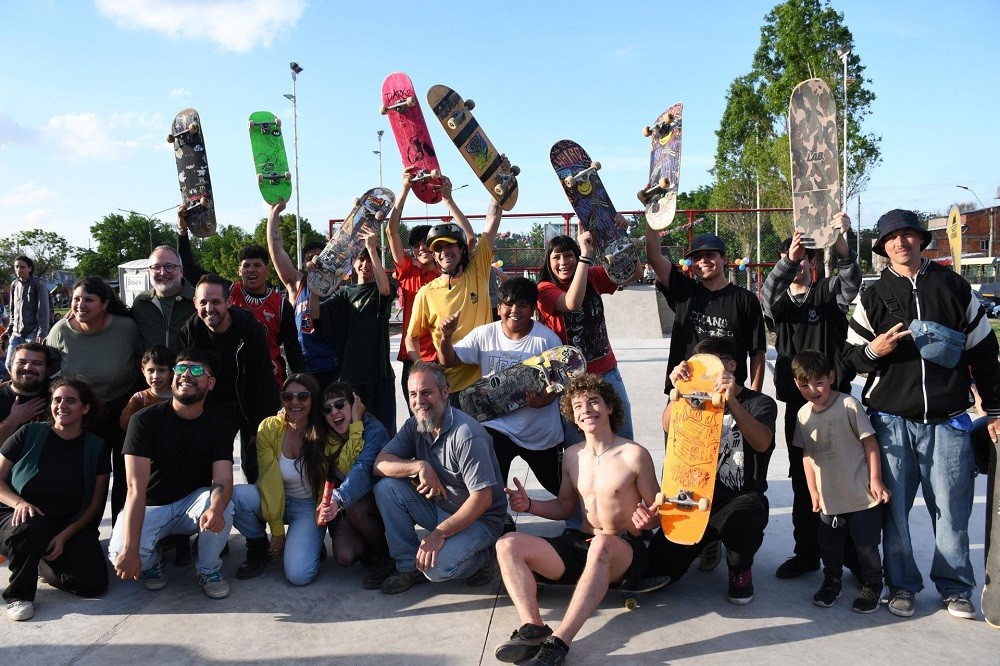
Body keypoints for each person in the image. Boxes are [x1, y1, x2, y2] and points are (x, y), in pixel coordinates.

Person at [843, 208, 1000, 619]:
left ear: (920, 239)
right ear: (882, 247)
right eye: (892, 238)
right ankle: (903, 586)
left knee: (952, 510)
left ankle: (955, 588)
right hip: (890, 422)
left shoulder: (954, 286)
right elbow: (848, 359)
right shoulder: (871, 296)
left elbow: (984, 352)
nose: (901, 242)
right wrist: (874, 351)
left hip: (949, 420)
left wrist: (996, 407)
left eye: (909, 234)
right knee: (894, 510)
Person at [493, 374, 659, 666]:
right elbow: (564, 507)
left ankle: (558, 642)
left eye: (594, 401)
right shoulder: (572, 456)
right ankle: (533, 626)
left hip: (622, 549)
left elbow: (659, 512)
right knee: (507, 544)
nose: (587, 410)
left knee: (602, 545)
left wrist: (649, 520)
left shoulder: (634, 455)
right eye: (579, 406)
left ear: (609, 407)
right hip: (579, 544)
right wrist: (529, 504)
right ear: (574, 417)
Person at [645, 227, 767, 571]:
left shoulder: (744, 300)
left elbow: (757, 352)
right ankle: (699, 537)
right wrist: (655, 218)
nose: (703, 262)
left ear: (724, 259)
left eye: (710, 255)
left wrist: (753, 397)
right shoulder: (685, 292)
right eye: (697, 257)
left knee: (725, 473)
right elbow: (655, 256)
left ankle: (718, 535)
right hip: (686, 401)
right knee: (686, 471)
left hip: (727, 404)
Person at [760, 213, 861, 579]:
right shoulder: (779, 304)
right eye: (793, 258)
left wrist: (840, 240)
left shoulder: (827, 293)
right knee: (804, 479)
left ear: (815, 263)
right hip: (798, 407)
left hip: (835, 403)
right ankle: (807, 553)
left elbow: (851, 284)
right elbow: (767, 294)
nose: (799, 264)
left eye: (805, 258)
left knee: (845, 476)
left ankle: (854, 558)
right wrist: (787, 259)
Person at [643, 337, 776, 605]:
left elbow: (761, 442)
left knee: (743, 521)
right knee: (654, 572)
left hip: (739, 499)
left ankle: (740, 569)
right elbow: (668, 426)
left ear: (732, 366)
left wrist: (731, 402)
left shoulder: (759, 403)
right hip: (692, 501)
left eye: (713, 369)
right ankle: (708, 542)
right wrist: (677, 388)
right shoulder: (689, 401)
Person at [109, 347, 238, 600]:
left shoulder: (220, 421)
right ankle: (153, 560)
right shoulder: (144, 420)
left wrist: (215, 508)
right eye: (181, 368)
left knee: (223, 504)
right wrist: (132, 549)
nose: (186, 374)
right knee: (118, 554)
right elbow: (134, 489)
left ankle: (208, 569)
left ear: (210, 383)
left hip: (191, 503)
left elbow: (222, 479)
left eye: (197, 370)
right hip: (150, 506)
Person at [372, 361, 505, 594]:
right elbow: (380, 464)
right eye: (413, 394)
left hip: (480, 519)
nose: (419, 401)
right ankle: (407, 566)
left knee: (437, 569)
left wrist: (438, 534)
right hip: (441, 507)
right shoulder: (415, 425)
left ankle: (483, 557)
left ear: (445, 393)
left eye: (426, 392)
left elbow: (483, 500)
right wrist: (419, 466)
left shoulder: (466, 435)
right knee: (386, 488)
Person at [438, 277, 564, 499]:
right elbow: (448, 361)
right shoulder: (485, 334)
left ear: (533, 308)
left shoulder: (547, 340)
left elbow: (560, 385)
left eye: (522, 305)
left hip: (539, 432)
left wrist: (543, 400)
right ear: (500, 306)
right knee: (492, 484)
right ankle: (499, 521)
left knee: (558, 486)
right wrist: (446, 337)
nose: (514, 311)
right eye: (508, 304)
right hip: (498, 426)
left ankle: (586, 520)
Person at [0, 378, 110, 622]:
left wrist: (65, 536)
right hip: (16, 517)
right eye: (57, 399)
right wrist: (19, 502)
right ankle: (19, 596)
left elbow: (94, 504)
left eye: (71, 401)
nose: (62, 405)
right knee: (32, 525)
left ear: (85, 408)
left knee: (92, 585)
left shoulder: (96, 446)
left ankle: (38, 558)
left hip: (63, 524)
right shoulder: (29, 432)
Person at [790, 349, 890, 613]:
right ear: (796, 384)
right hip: (829, 500)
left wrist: (876, 480)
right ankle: (832, 581)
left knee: (866, 546)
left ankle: (873, 585)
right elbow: (807, 455)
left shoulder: (848, 405)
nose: (813, 390)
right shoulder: (802, 415)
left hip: (861, 497)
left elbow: (870, 442)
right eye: (804, 385)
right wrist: (813, 490)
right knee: (829, 546)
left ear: (831, 377)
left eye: (819, 382)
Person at [45, 277, 142, 525]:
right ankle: (83, 531)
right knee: (86, 474)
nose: (80, 305)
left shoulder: (126, 328)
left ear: (105, 304)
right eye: (76, 299)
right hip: (83, 412)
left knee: (125, 473)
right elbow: (46, 368)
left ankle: (123, 529)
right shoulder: (60, 331)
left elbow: (145, 362)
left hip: (123, 407)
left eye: (89, 299)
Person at [177, 211, 304, 387]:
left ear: (267, 270)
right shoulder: (226, 292)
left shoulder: (281, 305)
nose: (251, 270)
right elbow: (190, 269)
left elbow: (293, 351)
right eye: (246, 266)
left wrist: (302, 385)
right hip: (230, 381)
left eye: (257, 265)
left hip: (268, 382)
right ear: (239, 271)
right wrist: (182, 231)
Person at [536, 227, 637, 443]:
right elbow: (572, 303)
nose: (563, 262)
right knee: (579, 444)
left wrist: (621, 239)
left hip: (606, 371)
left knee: (623, 434)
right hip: (570, 379)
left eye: (568, 256)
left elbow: (633, 274)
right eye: (557, 257)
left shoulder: (591, 275)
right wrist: (584, 256)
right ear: (548, 262)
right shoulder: (545, 288)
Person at [406, 181, 504, 400]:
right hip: (450, 389)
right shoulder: (426, 293)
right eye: (438, 248)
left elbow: (492, 220)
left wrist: (500, 179)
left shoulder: (477, 270)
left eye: (450, 245)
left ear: (462, 249)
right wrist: (422, 367)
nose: (444, 252)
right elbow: (411, 339)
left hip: (487, 380)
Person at [178, 274, 279, 484]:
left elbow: (263, 382)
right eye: (203, 302)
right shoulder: (191, 331)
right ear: (195, 303)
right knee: (205, 467)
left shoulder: (251, 329)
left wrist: (258, 428)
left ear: (229, 302)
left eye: (216, 302)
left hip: (248, 402)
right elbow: (187, 379)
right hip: (212, 404)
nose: (209, 308)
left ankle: (256, 514)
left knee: (256, 467)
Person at [387, 170, 475, 403]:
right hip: (415, 360)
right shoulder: (408, 272)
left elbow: (470, 240)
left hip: (445, 361)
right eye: (416, 246)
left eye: (427, 244)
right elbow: (391, 231)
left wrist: (448, 199)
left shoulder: (448, 277)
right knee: (421, 423)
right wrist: (405, 188)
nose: (422, 248)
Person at [318, 225, 398, 436]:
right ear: (352, 262)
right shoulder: (343, 294)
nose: (365, 264)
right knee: (352, 436)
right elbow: (316, 315)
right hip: (350, 379)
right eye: (360, 259)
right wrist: (315, 280)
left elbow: (385, 289)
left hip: (379, 377)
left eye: (370, 259)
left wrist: (372, 248)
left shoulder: (384, 288)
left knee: (385, 436)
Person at [318, 381, 392, 587]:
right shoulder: (326, 437)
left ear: (355, 405)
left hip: (375, 503)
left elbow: (362, 469)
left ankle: (385, 555)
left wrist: (356, 425)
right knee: (344, 556)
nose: (334, 412)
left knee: (355, 505)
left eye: (340, 404)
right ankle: (369, 545)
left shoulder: (374, 430)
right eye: (327, 408)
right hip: (346, 507)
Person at [264, 199, 340, 390]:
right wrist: (274, 213)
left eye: (320, 258)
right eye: (309, 258)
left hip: (334, 365)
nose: (315, 261)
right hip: (303, 365)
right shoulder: (296, 283)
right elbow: (275, 246)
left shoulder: (337, 286)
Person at [131, 244, 196, 352]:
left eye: (169, 266)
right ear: (149, 271)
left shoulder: (199, 300)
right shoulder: (141, 303)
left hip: (188, 368)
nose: (163, 272)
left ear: (181, 270)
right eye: (156, 267)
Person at [0, 342, 56, 442]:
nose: (28, 368)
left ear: (47, 369)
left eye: (37, 363)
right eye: (21, 362)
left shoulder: (59, 395)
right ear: (11, 366)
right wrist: (13, 420)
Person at [5, 256, 51, 374]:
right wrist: (10, 327)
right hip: (16, 331)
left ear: (29, 268)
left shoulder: (38, 284)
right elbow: (12, 309)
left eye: (22, 267)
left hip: (32, 331)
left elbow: (43, 310)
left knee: (31, 364)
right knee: (10, 364)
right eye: (16, 267)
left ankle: (32, 389)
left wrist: (42, 332)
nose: (19, 269)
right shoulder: (14, 284)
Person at [119, 345, 176, 431]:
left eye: (161, 370)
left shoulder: (179, 396)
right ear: (143, 371)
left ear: (171, 372)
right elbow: (124, 426)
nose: (155, 376)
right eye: (150, 370)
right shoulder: (140, 398)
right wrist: (134, 403)